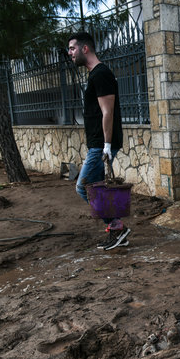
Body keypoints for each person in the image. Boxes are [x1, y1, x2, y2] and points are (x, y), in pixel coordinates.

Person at [68, 32, 130, 250]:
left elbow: (108, 111)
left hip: (101, 145)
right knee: (97, 188)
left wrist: (105, 146)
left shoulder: (101, 74)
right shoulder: (95, 74)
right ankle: (117, 229)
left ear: (85, 49)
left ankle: (117, 226)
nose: (70, 53)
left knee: (83, 188)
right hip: (98, 143)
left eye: (73, 48)